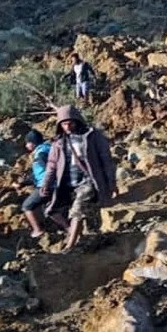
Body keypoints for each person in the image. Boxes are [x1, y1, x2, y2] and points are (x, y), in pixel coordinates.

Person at [39, 106, 117, 252]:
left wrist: (111, 182)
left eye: (70, 123)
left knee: (77, 210)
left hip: (89, 180)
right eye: (64, 124)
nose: (68, 127)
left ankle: (70, 245)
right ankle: (85, 237)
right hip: (68, 183)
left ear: (77, 121)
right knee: (55, 210)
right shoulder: (59, 142)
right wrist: (46, 183)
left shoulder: (92, 136)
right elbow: (51, 165)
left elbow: (106, 160)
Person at [22, 129, 69, 238]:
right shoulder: (48, 149)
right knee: (50, 210)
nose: (26, 145)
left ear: (32, 143)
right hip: (57, 185)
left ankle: (37, 230)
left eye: (27, 143)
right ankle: (69, 229)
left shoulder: (40, 154)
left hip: (47, 186)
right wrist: (23, 183)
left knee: (26, 206)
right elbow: (38, 174)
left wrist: (47, 185)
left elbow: (49, 170)